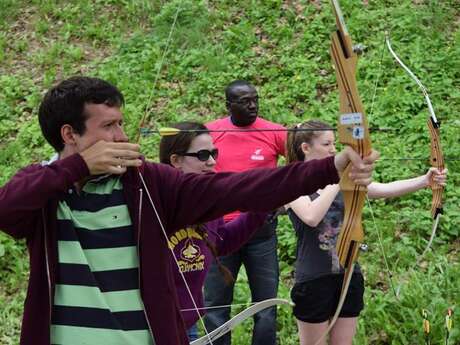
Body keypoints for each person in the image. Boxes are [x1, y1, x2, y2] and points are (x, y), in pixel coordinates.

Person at [0, 76, 377, 345]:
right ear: (70, 135)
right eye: (109, 126)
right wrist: (77, 168)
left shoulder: (148, 182)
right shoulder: (44, 189)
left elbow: (235, 187)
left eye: (121, 123)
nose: (121, 136)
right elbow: (6, 209)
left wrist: (331, 167)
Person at [284, 120, 448, 345]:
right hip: (313, 279)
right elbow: (311, 217)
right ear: (306, 148)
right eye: (327, 144)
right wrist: (337, 178)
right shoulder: (292, 181)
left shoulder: (347, 180)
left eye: (334, 143)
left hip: (349, 274)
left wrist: (424, 180)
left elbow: (382, 189)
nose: (334, 149)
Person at [159, 121, 268, 341]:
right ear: (176, 160)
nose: (211, 162)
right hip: (152, 322)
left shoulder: (208, 200)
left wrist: (260, 208)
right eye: (202, 155)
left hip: (187, 321)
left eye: (214, 153)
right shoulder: (157, 198)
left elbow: (221, 241)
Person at [204, 80, 286, 345]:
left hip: (260, 231)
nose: (252, 105)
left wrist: (284, 199)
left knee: (266, 305)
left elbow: (300, 164)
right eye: (244, 101)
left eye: (255, 99)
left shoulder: (273, 131)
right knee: (216, 305)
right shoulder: (211, 132)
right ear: (228, 105)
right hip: (219, 232)